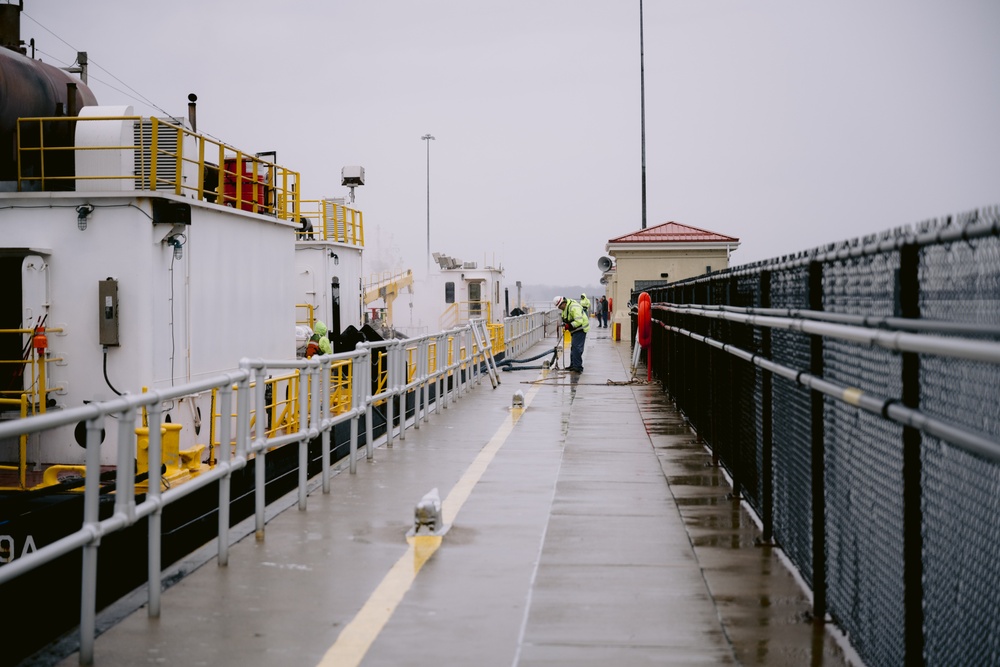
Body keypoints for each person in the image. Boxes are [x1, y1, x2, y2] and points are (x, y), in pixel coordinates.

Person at [554, 295, 589, 373]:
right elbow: (566, 318)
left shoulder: (573, 307)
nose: (559, 308)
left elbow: (579, 321)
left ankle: (578, 367)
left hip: (581, 329)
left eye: (559, 306)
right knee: (573, 347)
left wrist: (569, 325)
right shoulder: (565, 309)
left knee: (577, 347)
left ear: (563, 303)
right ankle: (573, 365)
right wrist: (565, 324)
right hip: (575, 329)